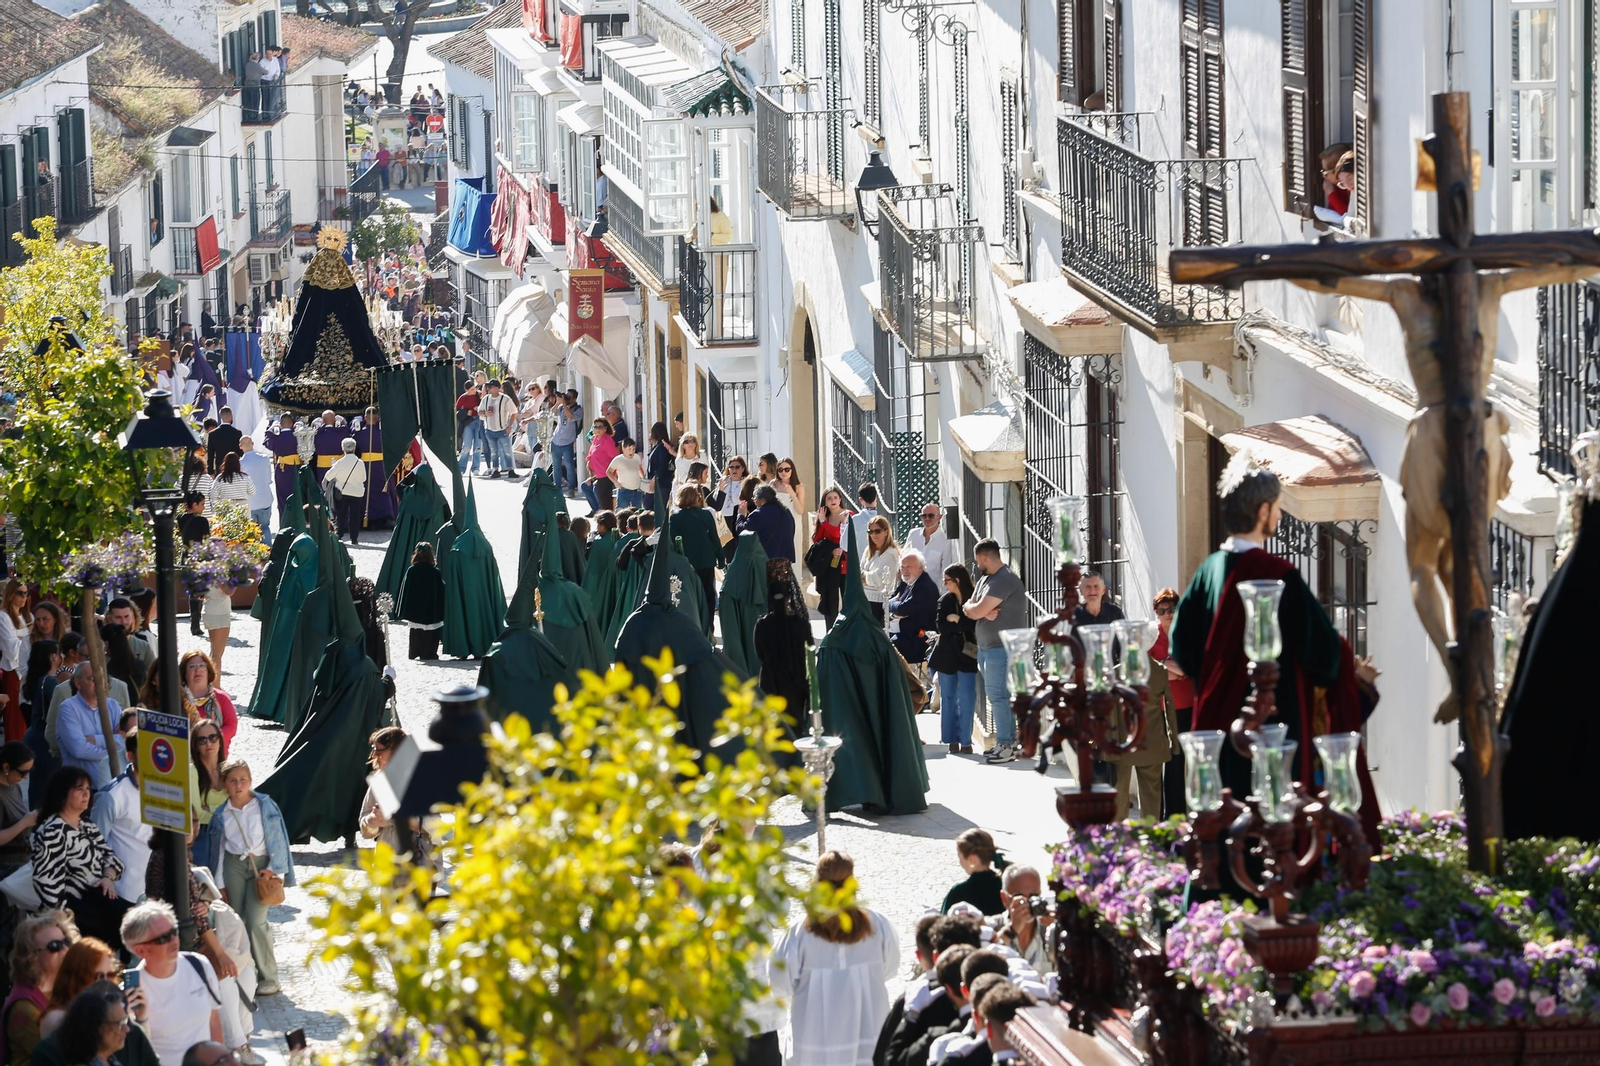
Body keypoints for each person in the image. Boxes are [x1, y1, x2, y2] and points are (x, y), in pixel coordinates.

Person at [1170, 455, 1379, 848]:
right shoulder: (1276, 574)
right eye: (1278, 507)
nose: (1280, 515)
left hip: (1215, 720)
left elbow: (1182, 645)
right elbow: (1324, 655)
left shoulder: (1208, 569)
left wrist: (1222, 678)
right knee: (1271, 825)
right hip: (1272, 727)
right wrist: (1358, 678)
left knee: (1221, 818)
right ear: (1263, 510)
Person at [771, 851, 898, 1065]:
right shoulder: (879, 925)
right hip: (868, 1038)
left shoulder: (800, 933)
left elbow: (778, 982)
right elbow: (890, 969)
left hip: (814, 1042)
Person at [212, 759, 293, 995]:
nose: (239, 785)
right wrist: (219, 883)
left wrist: (275, 868)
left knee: (257, 920)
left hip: (261, 866)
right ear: (224, 784)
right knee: (237, 920)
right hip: (233, 866)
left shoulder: (265, 806)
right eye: (233, 781)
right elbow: (219, 848)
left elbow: (278, 838)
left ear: (250, 780)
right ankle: (246, 973)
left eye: (243, 780)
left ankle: (269, 977)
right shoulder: (221, 814)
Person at [30, 768, 128, 948]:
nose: (86, 794)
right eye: (79, 789)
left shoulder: (87, 824)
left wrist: (107, 878)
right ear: (62, 793)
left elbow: (112, 858)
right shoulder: (53, 831)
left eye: (88, 789)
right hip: (74, 919)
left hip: (99, 907)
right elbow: (48, 884)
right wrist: (67, 930)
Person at [123, 902, 224, 1065]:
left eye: (174, 931)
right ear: (141, 950)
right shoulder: (132, 993)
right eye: (163, 938)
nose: (173, 940)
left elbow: (213, 1022)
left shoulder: (199, 965)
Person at [963, 541, 1028, 766]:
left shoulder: (1004, 579)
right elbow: (968, 607)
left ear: (984, 558)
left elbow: (976, 609)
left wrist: (978, 610)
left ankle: (1006, 745)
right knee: (1000, 696)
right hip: (987, 647)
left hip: (1001, 649)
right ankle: (1007, 743)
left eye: (977, 560)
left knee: (998, 696)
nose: (976, 565)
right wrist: (978, 611)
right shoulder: (985, 580)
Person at [358, 727, 433, 873]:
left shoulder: (420, 779)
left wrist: (391, 817)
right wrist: (372, 821)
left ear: (395, 750)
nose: (374, 755)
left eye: (379, 750)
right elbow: (364, 826)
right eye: (373, 749)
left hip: (419, 865)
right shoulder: (379, 780)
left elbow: (433, 827)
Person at [3, 911, 74, 1066]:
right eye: (54, 946)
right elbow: (61, 1060)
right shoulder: (25, 1008)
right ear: (32, 957)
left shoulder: (65, 988)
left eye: (66, 942)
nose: (65, 950)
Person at [90, 733, 150, 906]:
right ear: (129, 756)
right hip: (124, 895)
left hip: (160, 892)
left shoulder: (167, 788)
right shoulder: (111, 795)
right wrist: (106, 877)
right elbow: (95, 844)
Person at [932, 565, 979, 755]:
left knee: (967, 697)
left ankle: (966, 741)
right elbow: (941, 626)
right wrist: (961, 624)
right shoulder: (945, 601)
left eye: (947, 580)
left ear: (957, 580)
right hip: (947, 655)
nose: (944, 583)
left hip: (968, 654)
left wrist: (957, 621)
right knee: (948, 696)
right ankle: (951, 740)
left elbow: (975, 624)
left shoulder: (974, 599)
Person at [666, 485, 724, 614]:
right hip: (706, 560)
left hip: (686, 562)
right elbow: (715, 538)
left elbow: (674, 542)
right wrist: (721, 559)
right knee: (708, 594)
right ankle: (709, 628)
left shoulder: (675, 517)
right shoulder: (706, 514)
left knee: (690, 595)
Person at [55, 666, 114, 787]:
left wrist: (95, 740)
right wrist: (112, 752)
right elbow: (78, 749)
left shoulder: (113, 705)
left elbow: (125, 741)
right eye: (92, 678)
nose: (98, 682)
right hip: (79, 787)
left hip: (111, 785)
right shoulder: (68, 708)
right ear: (78, 683)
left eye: (101, 678)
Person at [995, 865, 1056, 975]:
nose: (1028, 903)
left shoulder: (1048, 932)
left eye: (1033, 896)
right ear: (1004, 899)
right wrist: (1012, 929)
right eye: (1019, 896)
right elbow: (983, 960)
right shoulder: (992, 928)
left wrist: (1058, 930)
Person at [805, 487, 850, 630]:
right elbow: (818, 540)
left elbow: (840, 536)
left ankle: (847, 630)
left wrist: (824, 523)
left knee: (847, 598)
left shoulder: (847, 515)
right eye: (829, 498)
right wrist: (821, 523)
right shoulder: (824, 517)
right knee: (830, 601)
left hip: (845, 564)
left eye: (835, 497)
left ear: (840, 499)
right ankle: (830, 631)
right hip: (830, 566)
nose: (833, 501)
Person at [54, 982, 129, 1066]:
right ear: (96, 1027)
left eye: (125, 1021)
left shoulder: (111, 1061)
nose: (127, 1029)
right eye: (119, 1023)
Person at [187, 722, 227, 874]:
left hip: (230, 839)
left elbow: (241, 806)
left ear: (220, 740)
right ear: (195, 746)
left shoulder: (229, 770)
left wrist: (209, 808)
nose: (208, 743)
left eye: (213, 738)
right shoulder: (192, 771)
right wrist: (226, 810)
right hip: (202, 840)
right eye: (202, 740)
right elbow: (197, 814)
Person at [887, 550, 939, 667]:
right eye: (902, 567)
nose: (904, 571)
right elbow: (888, 602)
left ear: (920, 568)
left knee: (884, 650)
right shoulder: (907, 582)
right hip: (903, 633)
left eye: (909, 567)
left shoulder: (925, 586)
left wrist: (892, 605)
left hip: (918, 639)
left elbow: (902, 609)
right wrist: (893, 607)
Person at [939, 829, 1006, 915]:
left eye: (960, 856)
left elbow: (943, 923)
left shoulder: (959, 892)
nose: (960, 861)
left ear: (972, 859)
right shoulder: (1006, 885)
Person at [178, 652, 237, 747]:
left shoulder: (222, 698)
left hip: (217, 756)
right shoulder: (178, 699)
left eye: (202, 666)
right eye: (192, 667)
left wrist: (211, 740)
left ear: (208, 671)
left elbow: (231, 725)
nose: (198, 670)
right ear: (184, 673)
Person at [398, 543, 445, 660]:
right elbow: (441, 591)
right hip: (431, 609)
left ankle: (415, 652)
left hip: (416, 609)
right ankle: (429, 653)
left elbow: (406, 590)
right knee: (431, 632)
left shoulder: (412, 571)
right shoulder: (435, 572)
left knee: (416, 632)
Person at [0, 580, 29, 742]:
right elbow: (12, 651)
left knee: (25, 718)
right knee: (14, 720)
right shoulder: (3, 617)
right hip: (13, 673)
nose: (24, 597)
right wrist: (26, 640)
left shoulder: (26, 616)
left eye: (26, 593)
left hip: (26, 671)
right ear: (11, 595)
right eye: (20, 593)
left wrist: (21, 639)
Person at [325, 438, 368, 544]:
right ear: (354, 448)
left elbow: (328, 476)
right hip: (357, 492)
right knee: (355, 515)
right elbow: (364, 478)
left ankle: (339, 535)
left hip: (342, 492)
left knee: (340, 515)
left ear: (343, 448)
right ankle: (354, 538)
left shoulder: (339, 463)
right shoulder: (360, 462)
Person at [859, 516, 900, 626]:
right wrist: (867, 576)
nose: (874, 535)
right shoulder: (868, 550)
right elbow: (859, 572)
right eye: (870, 531)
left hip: (879, 604)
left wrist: (864, 576)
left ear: (886, 531)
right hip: (864, 601)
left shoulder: (890, 553)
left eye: (877, 531)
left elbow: (879, 579)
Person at [103, 601, 154, 685]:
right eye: (118, 617)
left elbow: (153, 674)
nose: (123, 621)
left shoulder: (143, 646)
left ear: (133, 617)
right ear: (109, 619)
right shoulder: (99, 646)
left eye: (127, 617)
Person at [235, 439, 273, 546]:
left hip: (250, 502)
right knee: (265, 527)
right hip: (265, 499)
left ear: (240, 446)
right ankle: (268, 551)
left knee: (251, 531)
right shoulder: (265, 459)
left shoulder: (240, 463)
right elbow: (269, 479)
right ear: (253, 444)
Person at [743, 485, 796, 564]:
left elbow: (743, 530)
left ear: (763, 500)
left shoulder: (759, 514)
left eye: (755, 498)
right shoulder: (785, 510)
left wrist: (741, 515)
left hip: (766, 559)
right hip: (785, 559)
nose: (753, 500)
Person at [904, 504, 951, 589]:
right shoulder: (913, 535)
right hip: (910, 589)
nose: (927, 518)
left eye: (931, 515)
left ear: (939, 517)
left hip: (932, 592)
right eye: (924, 516)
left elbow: (946, 570)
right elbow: (904, 559)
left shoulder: (945, 540)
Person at [478, 380, 517, 478]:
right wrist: (485, 414)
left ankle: (510, 470)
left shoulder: (505, 399)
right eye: (489, 387)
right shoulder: (486, 399)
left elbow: (514, 412)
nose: (489, 389)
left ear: (497, 388)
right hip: (489, 429)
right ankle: (495, 469)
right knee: (494, 451)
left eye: (491, 387)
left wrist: (510, 425)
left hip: (502, 429)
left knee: (507, 450)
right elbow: (479, 411)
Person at [581, 418, 618, 511]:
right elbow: (591, 452)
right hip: (598, 475)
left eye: (600, 427)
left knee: (606, 503)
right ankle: (598, 512)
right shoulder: (596, 438)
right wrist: (589, 460)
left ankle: (608, 523)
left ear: (605, 428)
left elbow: (615, 457)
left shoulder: (607, 440)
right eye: (595, 427)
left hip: (606, 475)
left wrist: (616, 474)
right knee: (593, 492)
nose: (597, 429)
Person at [550, 393, 582, 496]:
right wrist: (558, 402)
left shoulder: (578, 409)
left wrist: (564, 404)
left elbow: (571, 417)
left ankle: (571, 488)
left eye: (569, 397)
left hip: (567, 442)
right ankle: (557, 488)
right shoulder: (561, 407)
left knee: (569, 466)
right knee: (556, 466)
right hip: (556, 441)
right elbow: (552, 413)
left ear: (575, 398)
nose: (567, 399)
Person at [606, 439, 645, 510]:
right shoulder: (618, 459)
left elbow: (639, 468)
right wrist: (616, 482)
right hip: (624, 489)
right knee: (621, 512)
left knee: (637, 511)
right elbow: (608, 472)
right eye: (629, 449)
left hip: (637, 490)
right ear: (623, 449)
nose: (631, 452)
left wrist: (643, 479)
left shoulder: (636, 457)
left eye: (633, 449)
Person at [455, 383, 483, 475]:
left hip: (479, 421)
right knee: (466, 445)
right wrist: (466, 412)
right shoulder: (463, 398)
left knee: (478, 446)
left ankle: (476, 467)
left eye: (474, 388)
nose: (474, 391)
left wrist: (478, 408)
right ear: (467, 390)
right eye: (471, 389)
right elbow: (456, 410)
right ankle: (461, 467)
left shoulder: (479, 395)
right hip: (468, 422)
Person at [205, 411, 242, 477]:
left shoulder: (212, 434)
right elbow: (240, 453)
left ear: (221, 417)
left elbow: (210, 455)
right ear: (231, 416)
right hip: (235, 469)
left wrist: (211, 472)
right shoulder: (237, 433)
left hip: (220, 470)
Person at [644, 422, 674, 498]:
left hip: (661, 484)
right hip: (656, 483)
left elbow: (663, 465)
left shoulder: (662, 447)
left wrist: (654, 479)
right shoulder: (657, 446)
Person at [850, 483, 881, 552]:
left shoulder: (855, 520)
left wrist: (843, 525)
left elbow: (844, 545)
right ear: (877, 498)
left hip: (861, 560)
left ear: (861, 500)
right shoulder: (884, 517)